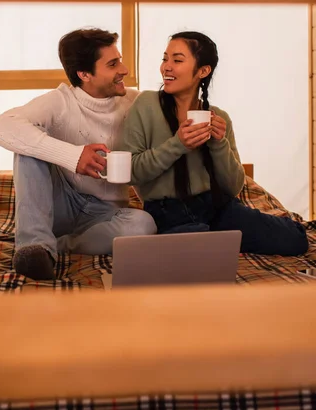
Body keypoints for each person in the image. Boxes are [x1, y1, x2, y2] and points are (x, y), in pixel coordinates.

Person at [0, 28, 156, 281]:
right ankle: (33, 248)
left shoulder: (136, 102)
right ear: (84, 74)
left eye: (119, 59)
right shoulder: (60, 101)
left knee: (144, 225)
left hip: (104, 214)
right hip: (58, 204)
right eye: (113, 64)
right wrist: (73, 156)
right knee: (26, 146)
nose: (124, 69)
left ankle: (60, 245)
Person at [122, 31, 308, 256]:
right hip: (167, 210)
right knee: (201, 253)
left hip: (217, 207)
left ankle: (222, 238)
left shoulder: (218, 117)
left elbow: (233, 187)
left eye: (177, 60)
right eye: (165, 59)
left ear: (203, 70)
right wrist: (178, 144)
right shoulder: (146, 104)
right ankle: (216, 240)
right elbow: (131, 172)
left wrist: (219, 144)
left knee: (296, 240)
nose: (166, 67)